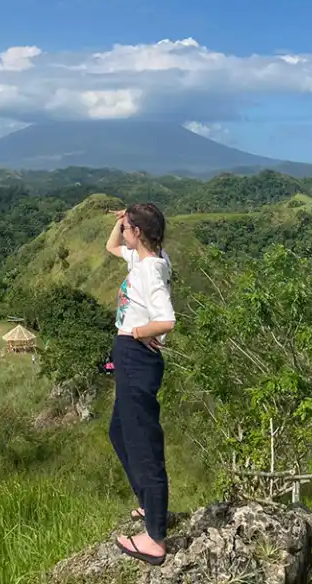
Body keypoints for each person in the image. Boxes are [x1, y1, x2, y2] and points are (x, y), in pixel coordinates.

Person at [106, 202, 176, 567]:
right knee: (119, 431)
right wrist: (122, 222)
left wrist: (138, 331)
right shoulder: (151, 258)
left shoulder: (149, 270)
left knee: (143, 441)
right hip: (131, 356)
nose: (123, 233)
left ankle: (154, 538)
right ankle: (148, 504)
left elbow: (166, 320)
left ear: (138, 234)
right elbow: (110, 248)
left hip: (135, 353)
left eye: (127, 228)